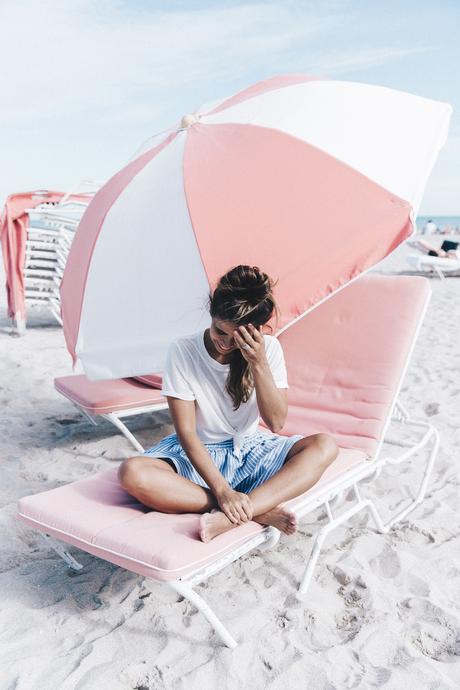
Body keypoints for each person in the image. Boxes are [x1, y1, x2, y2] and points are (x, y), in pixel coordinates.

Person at [118, 265, 338, 543]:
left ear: (256, 330)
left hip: (250, 448)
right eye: (220, 331)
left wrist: (258, 362)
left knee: (325, 446)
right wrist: (223, 492)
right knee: (132, 473)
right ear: (212, 316)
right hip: (199, 453)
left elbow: (276, 422)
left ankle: (234, 514)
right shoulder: (183, 351)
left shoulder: (269, 349)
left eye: (236, 339)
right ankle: (255, 510)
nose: (224, 343)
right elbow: (186, 434)